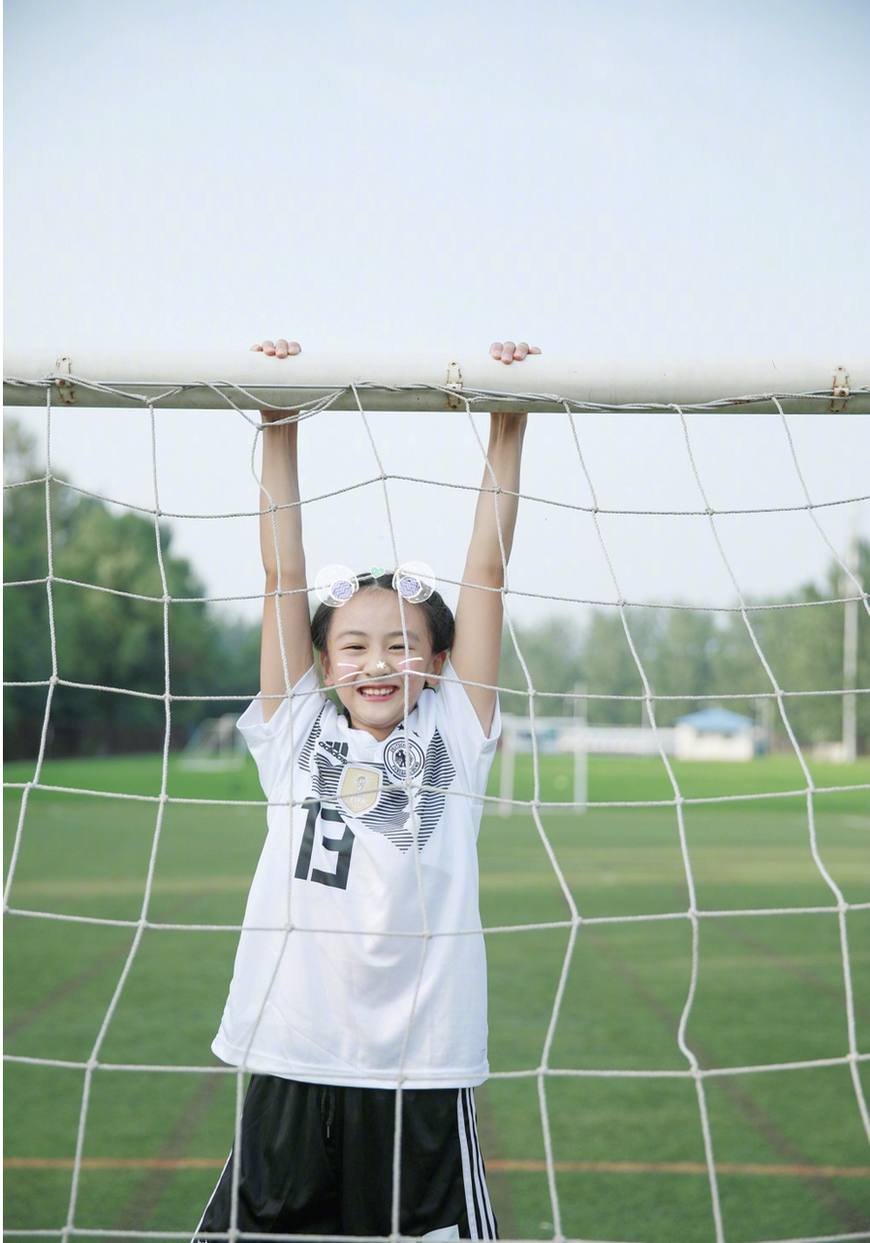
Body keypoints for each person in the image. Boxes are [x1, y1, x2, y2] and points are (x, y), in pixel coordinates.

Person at [194, 338, 540, 1242]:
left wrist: (509, 422)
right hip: (295, 1048)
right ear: (323, 660)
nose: (380, 660)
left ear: (434, 660)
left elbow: (488, 574)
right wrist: (279, 425)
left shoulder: (456, 737)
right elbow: (281, 575)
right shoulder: (296, 729)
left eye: (403, 643)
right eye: (354, 644)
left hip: (420, 1063)